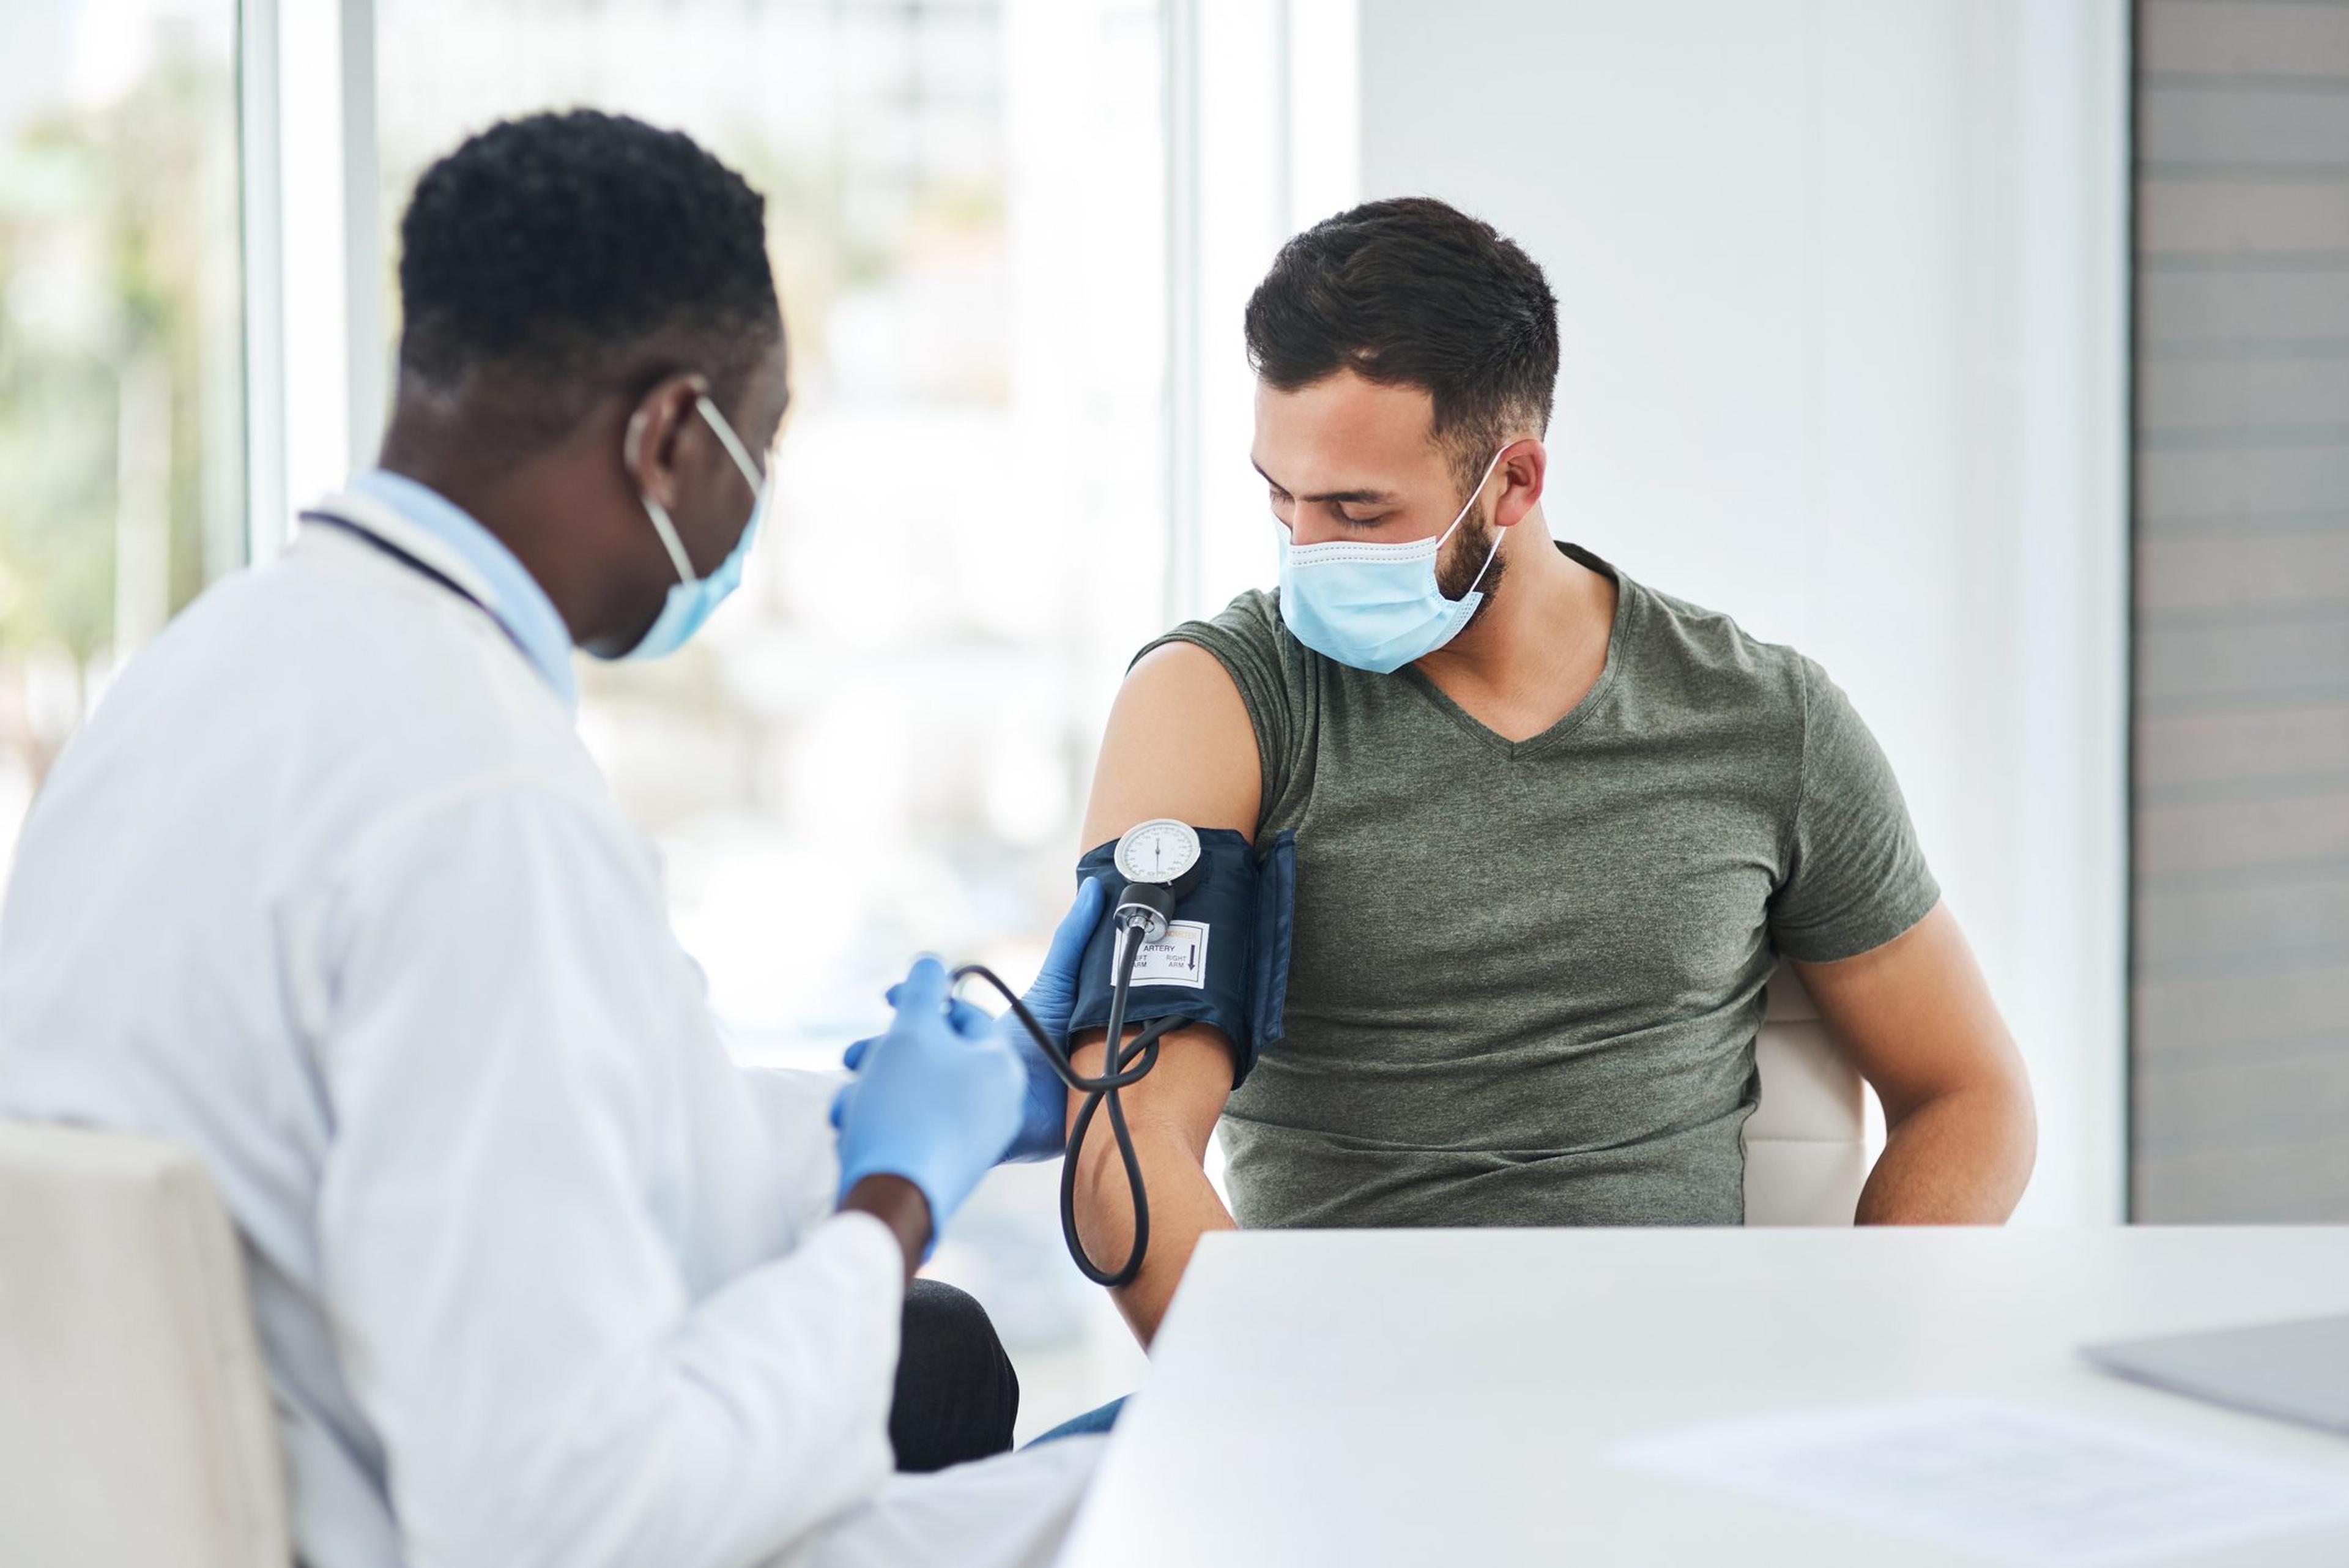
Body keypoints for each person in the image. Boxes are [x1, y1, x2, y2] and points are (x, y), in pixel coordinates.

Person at [0, 110, 1103, 1568]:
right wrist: (894, 1197)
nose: (754, 502)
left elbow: (545, 1146)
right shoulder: (479, 807)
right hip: (481, 1525)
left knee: (985, 1382)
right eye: (756, 446)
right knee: (1211, 1475)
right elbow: (566, 1517)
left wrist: (899, 1123)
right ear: (664, 435)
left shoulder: (213, 672)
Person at [1064, 196, 2040, 1353]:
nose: (1305, 552)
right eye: (1282, 497)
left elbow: (1971, 1095)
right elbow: (1121, 1144)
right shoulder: (1221, 702)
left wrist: (1848, 1351)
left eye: (1359, 511)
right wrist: (1271, 1404)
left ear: (1514, 482)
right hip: (1339, 1406)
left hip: (1678, 1400)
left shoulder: (1766, 722)